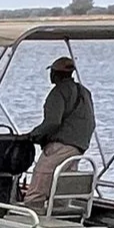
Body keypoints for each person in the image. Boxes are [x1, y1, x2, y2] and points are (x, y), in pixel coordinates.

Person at [22, 54, 96, 210]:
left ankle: (30, 213)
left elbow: (53, 122)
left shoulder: (58, 93)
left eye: (52, 72)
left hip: (60, 145)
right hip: (79, 147)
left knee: (41, 179)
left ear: (55, 74)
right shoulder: (84, 92)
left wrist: (32, 136)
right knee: (62, 186)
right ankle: (59, 214)